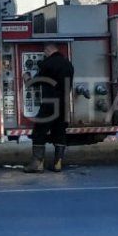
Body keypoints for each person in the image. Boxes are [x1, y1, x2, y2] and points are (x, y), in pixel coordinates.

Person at [25, 42, 74, 173]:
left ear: (47, 50)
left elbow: (34, 83)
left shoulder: (47, 64)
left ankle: (37, 164)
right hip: (64, 103)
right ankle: (58, 164)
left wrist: (27, 77)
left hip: (49, 102)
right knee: (59, 132)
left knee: (39, 131)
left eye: (45, 52)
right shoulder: (68, 64)